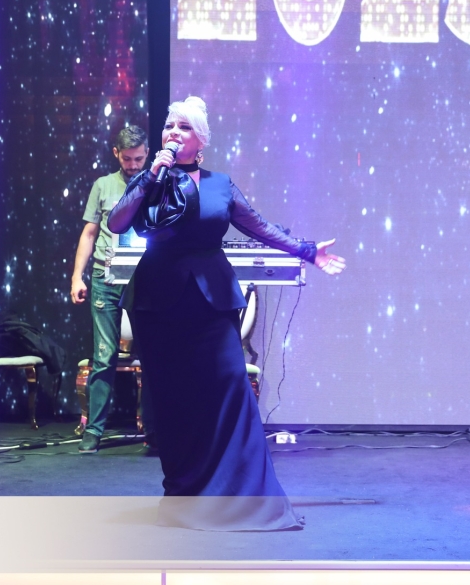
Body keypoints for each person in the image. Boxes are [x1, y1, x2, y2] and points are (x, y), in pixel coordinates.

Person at [107, 96, 345, 531]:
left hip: (211, 301)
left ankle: (245, 497)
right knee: (173, 400)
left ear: (201, 141)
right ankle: (186, 498)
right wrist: (151, 174)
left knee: (231, 390)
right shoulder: (150, 179)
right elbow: (117, 223)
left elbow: (260, 227)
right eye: (169, 125)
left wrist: (308, 251)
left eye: (184, 127)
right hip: (157, 303)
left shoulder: (220, 185)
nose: (173, 133)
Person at [70, 125, 151, 453]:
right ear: (116, 153)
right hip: (105, 279)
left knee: (152, 356)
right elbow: (89, 233)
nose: (133, 165)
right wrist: (77, 277)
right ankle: (94, 431)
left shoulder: (157, 183)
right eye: (127, 159)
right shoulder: (103, 185)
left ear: (147, 154)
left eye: (139, 159)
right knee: (103, 356)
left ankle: (154, 430)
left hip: (145, 279)